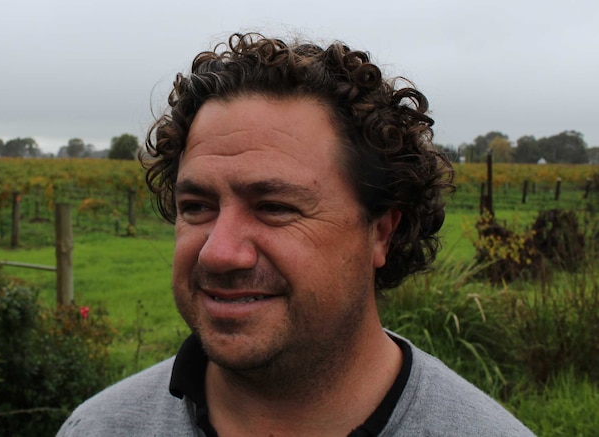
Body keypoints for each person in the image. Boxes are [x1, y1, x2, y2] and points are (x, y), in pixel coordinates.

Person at [57, 33, 534, 436]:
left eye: (275, 208)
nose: (219, 253)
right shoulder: (98, 428)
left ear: (383, 233)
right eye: (197, 207)